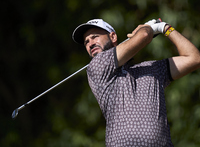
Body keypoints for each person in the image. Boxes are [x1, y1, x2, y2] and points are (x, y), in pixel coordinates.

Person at [72, 18, 200, 147]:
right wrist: (148, 28)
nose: (90, 43)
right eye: (86, 42)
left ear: (113, 36)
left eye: (94, 37)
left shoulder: (152, 69)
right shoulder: (96, 66)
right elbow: (144, 35)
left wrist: (165, 28)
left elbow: (194, 58)